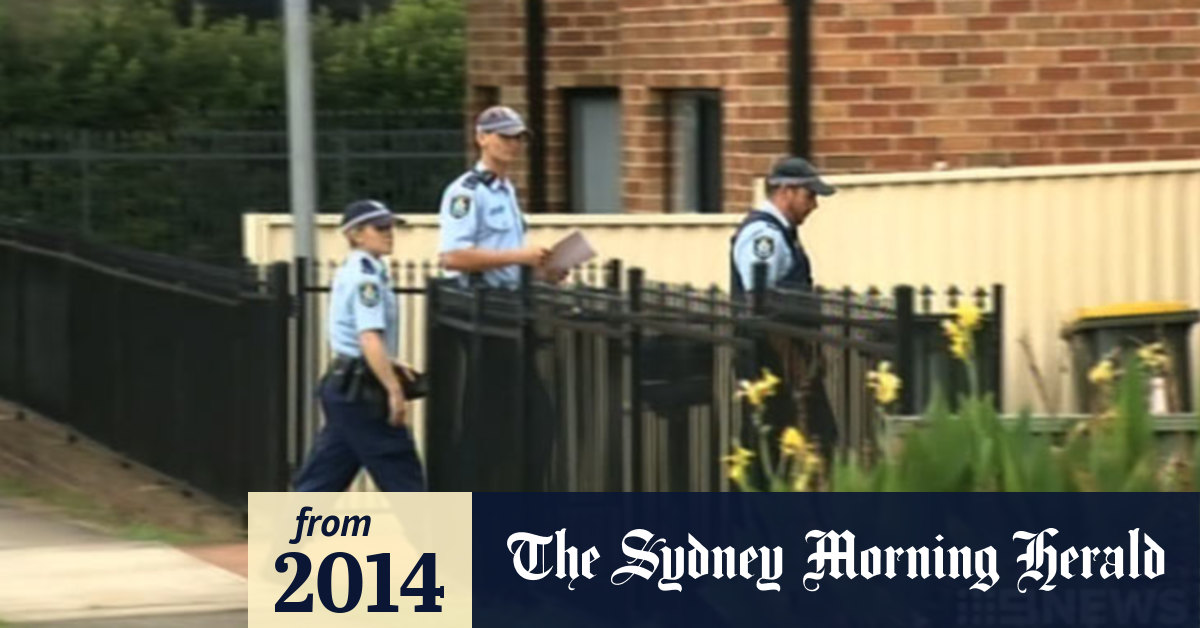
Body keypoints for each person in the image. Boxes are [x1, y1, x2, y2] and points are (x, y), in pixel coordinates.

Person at [432, 105, 560, 491]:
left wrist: (542, 269)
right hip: (482, 312)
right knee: (505, 420)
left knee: (518, 419)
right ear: (482, 137)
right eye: (504, 136)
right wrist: (519, 256)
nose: (513, 144)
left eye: (518, 137)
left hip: (509, 309)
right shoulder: (466, 193)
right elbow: (453, 256)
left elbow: (503, 254)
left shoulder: (505, 192)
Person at [293, 200, 425, 492]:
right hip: (361, 390)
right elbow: (368, 336)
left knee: (328, 470)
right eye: (380, 227)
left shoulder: (366, 270)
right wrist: (393, 390)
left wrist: (389, 363)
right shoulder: (366, 277)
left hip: (347, 385)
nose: (389, 233)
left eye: (390, 226)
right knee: (401, 469)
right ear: (355, 234)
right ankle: (435, 538)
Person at [729, 156, 839, 470]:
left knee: (780, 444)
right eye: (809, 195)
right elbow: (760, 298)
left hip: (784, 357)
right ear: (786, 191)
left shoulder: (780, 233)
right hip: (771, 358)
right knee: (771, 445)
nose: (814, 205)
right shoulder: (765, 236)